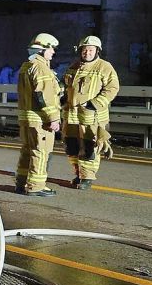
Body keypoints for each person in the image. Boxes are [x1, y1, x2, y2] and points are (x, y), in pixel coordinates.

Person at [62, 36, 120, 189]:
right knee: (72, 147)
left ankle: (87, 177)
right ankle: (79, 173)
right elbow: (65, 87)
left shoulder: (104, 67)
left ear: (97, 51)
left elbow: (112, 89)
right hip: (72, 117)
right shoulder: (73, 67)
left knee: (89, 147)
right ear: (80, 51)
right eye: (85, 49)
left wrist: (94, 104)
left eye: (91, 50)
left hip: (92, 117)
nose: (87, 52)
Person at [15, 33, 62, 197]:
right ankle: (36, 186)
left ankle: (21, 183)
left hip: (27, 118)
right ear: (42, 49)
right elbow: (44, 95)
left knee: (27, 150)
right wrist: (54, 118)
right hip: (40, 119)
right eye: (51, 49)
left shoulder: (26, 65)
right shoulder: (41, 67)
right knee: (41, 152)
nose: (53, 52)